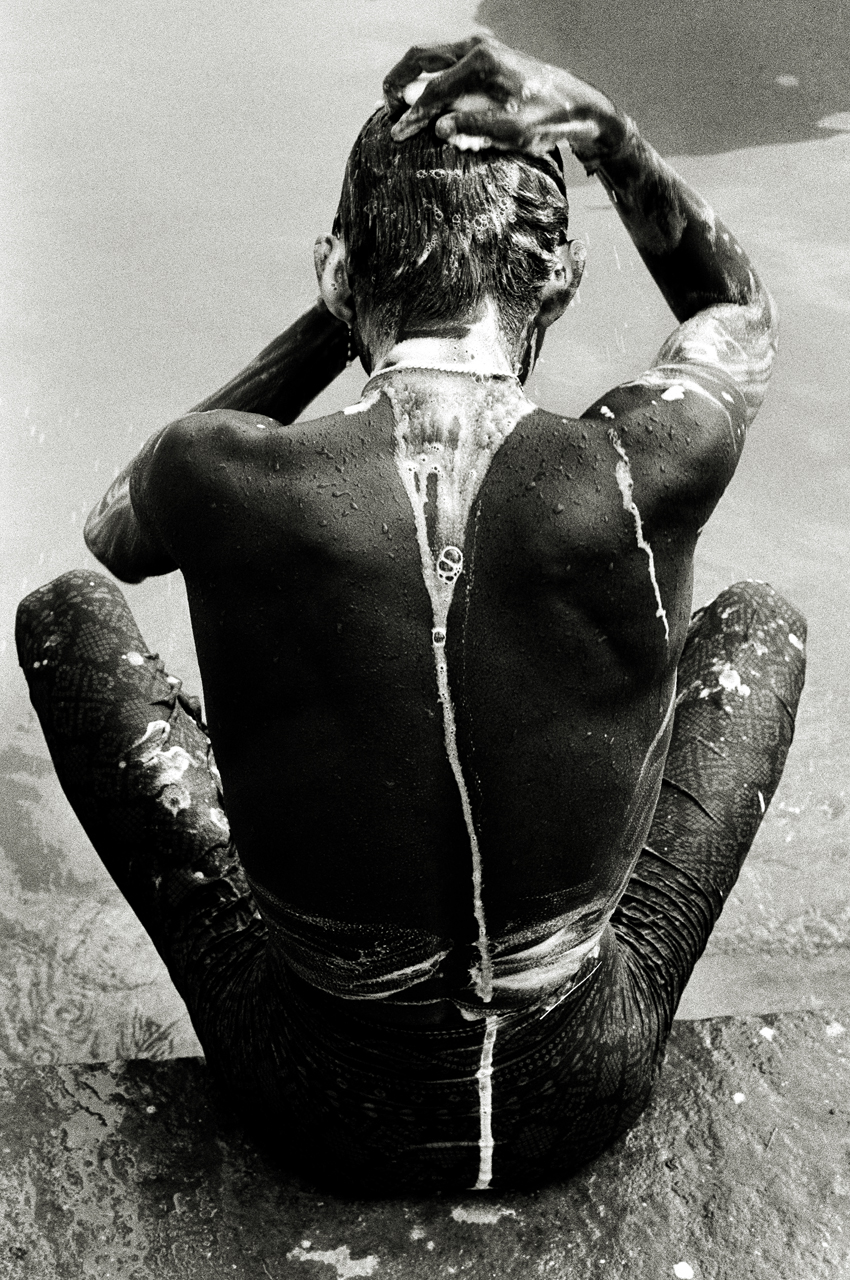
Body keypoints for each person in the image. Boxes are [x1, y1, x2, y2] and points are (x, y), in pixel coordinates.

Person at [16, 37, 805, 1193]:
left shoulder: (220, 471)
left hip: (308, 1090)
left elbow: (113, 537)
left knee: (65, 617)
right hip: (578, 1079)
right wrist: (611, 137)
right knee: (759, 623)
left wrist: (339, 314)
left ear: (340, 273)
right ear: (561, 281)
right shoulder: (652, 455)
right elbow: (737, 309)